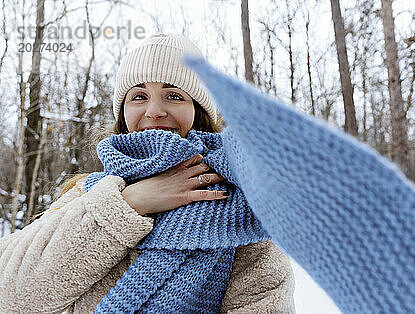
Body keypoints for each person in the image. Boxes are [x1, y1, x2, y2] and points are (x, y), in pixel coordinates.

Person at [0, 34, 295, 313]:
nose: (154, 110)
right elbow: (11, 294)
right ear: (123, 114)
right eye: (139, 96)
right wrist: (128, 204)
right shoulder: (89, 192)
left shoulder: (238, 211)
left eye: (174, 95)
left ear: (199, 110)